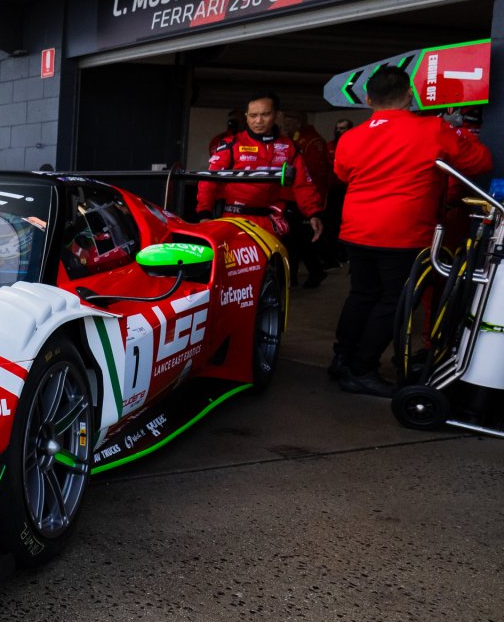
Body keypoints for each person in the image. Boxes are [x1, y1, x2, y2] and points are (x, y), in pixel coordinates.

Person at [330, 65, 493, 396]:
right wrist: (458, 130)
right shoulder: (433, 129)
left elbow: (343, 174)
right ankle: (362, 369)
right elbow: (480, 162)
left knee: (362, 294)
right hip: (403, 232)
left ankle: (342, 360)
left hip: (356, 230)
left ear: (367, 99)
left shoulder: (350, 137)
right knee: (394, 301)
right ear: (409, 95)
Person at [195, 95, 324, 245]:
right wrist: (204, 213)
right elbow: (209, 181)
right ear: (246, 117)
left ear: (276, 115)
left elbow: (303, 184)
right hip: (235, 219)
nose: (258, 121)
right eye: (253, 115)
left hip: (272, 221)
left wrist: (313, 213)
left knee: (275, 265)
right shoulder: (231, 145)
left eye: (265, 114)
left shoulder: (289, 147)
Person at [279, 109, 332, 287]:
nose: (285, 126)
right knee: (295, 238)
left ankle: (312, 272)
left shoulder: (311, 142)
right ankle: (295, 275)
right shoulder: (294, 140)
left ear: (298, 122)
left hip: (303, 199)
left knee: (298, 239)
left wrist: (313, 203)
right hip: (292, 198)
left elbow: (315, 174)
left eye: (288, 122)